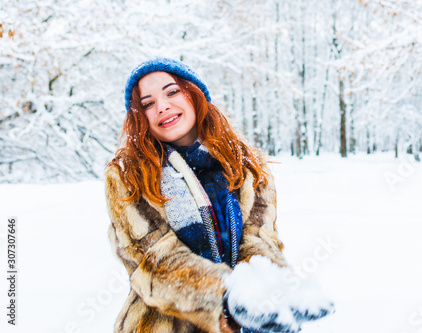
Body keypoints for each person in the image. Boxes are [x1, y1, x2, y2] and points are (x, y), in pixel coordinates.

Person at [104, 58, 333, 333]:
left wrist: (271, 289)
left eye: (172, 91)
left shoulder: (247, 166)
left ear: (195, 93)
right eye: (147, 103)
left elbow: (259, 239)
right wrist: (227, 295)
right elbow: (152, 262)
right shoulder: (129, 174)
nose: (162, 106)